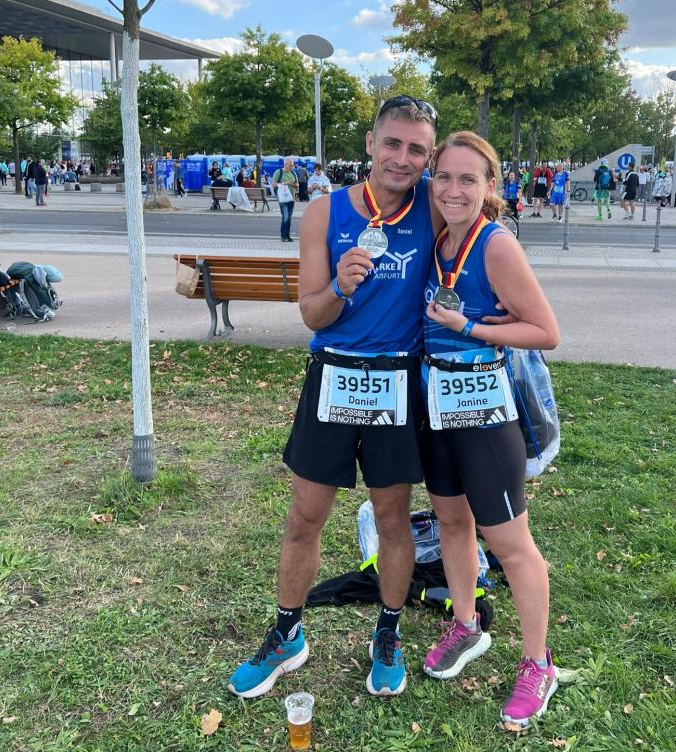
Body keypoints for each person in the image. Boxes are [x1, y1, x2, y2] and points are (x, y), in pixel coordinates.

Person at [227, 95, 445, 700]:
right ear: (371, 143)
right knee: (305, 515)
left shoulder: (434, 204)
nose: (402, 158)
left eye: (417, 149)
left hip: (397, 379)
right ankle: (286, 634)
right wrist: (342, 289)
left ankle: (388, 633)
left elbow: (483, 217)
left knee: (393, 518)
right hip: (334, 374)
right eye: (392, 143)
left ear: (428, 157)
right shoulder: (324, 212)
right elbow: (311, 314)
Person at [420, 131, 560, 727]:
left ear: (489, 186)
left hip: (484, 411)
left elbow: (546, 331)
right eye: (444, 177)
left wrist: (472, 328)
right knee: (452, 523)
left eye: (468, 179)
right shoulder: (437, 239)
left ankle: (538, 664)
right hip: (436, 407)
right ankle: (466, 624)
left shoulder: (495, 245)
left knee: (510, 544)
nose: (453, 190)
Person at [273, 158, 298, 242]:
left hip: (291, 198)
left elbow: (297, 184)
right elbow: (274, 184)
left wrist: (294, 184)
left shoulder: (293, 173)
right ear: (285, 165)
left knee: (289, 218)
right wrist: (284, 183)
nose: (292, 167)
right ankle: (283, 235)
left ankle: (287, 235)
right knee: (285, 216)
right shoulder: (279, 172)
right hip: (283, 198)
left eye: (292, 165)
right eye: (290, 165)